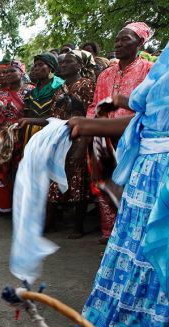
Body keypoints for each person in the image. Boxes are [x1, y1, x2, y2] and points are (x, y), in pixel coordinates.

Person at [68, 42, 169, 327]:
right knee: (133, 273)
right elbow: (148, 117)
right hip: (146, 180)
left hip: (161, 183)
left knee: (157, 277)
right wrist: (94, 121)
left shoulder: (150, 67)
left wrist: (91, 124)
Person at [87, 22, 155, 244]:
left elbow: (153, 106)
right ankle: (110, 234)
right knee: (106, 184)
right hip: (105, 138)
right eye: (117, 39)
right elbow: (95, 105)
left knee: (134, 186)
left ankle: (133, 236)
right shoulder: (105, 74)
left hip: (137, 138)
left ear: (140, 43)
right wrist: (92, 127)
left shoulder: (149, 70)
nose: (118, 43)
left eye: (126, 39)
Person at [44, 51, 95, 237]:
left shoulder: (86, 84)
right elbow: (54, 115)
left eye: (68, 61)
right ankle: (49, 222)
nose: (63, 65)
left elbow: (90, 115)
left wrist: (83, 144)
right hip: (59, 138)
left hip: (78, 137)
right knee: (54, 179)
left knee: (78, 181)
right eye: (62, 62)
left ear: (80, 65)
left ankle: (78, 227)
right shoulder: (60, 88)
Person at [0, 59, 34, 214]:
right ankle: (6, 205)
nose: (7, 74)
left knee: (21, 169)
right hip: (3, 136)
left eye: (12, 71)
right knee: (3, 169)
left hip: (23, 134)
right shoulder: (0, 93)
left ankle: (22, 207)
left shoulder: (30, 91)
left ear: (22, 72)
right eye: (6, 72)